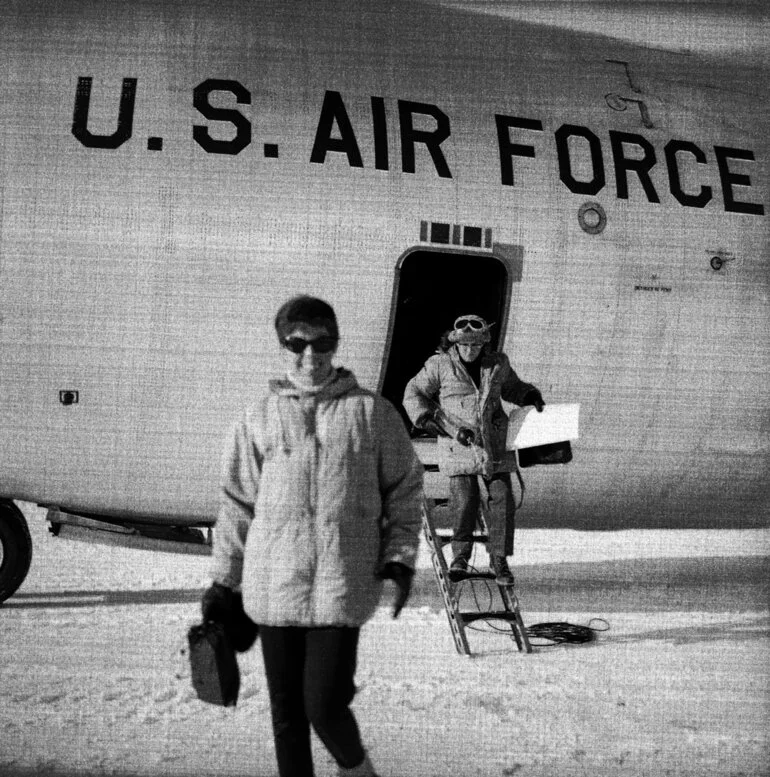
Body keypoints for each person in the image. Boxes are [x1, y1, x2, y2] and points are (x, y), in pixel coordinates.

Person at [202, 295, 423, 777]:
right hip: (273, 586)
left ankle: (359, 771)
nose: (310, 354)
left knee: (323, 705)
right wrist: (223, 581)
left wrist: (400, 559)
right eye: (297, 343)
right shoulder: (257, 417)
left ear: (335, 344)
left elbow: (405, 493)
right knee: (286, 716)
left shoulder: (373, 414)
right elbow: (237, 504)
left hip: (340, 587)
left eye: (322, 342)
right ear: (283, 346)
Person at [402, 314, 544, 586]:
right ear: (455, 343)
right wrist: (428, 421)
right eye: (465, 345)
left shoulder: (497, 364)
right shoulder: (440, 365)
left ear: (483, 345)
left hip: (494, 444)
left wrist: (529, 395)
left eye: (475, 346)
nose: (470, 350)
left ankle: (499, 560)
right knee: (465, 498)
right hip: (459, 443)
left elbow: (512, 388)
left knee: (502, 498)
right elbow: (413, 393)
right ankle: (460, 557)